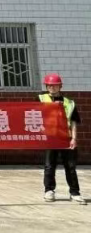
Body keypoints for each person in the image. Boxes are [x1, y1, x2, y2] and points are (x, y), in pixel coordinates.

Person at [40, 73, 85, 204]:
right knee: (49, 166)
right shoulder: (40, 99)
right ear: (46, 87)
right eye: (49, 86)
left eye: (55, 85)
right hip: (50, 138)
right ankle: (49, 191)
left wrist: (74, 138)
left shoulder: (69, 103)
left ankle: (75, 193)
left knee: (70, 166)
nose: (52, 88)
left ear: (60, 86)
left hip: (66, 138)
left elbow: (74, 122)